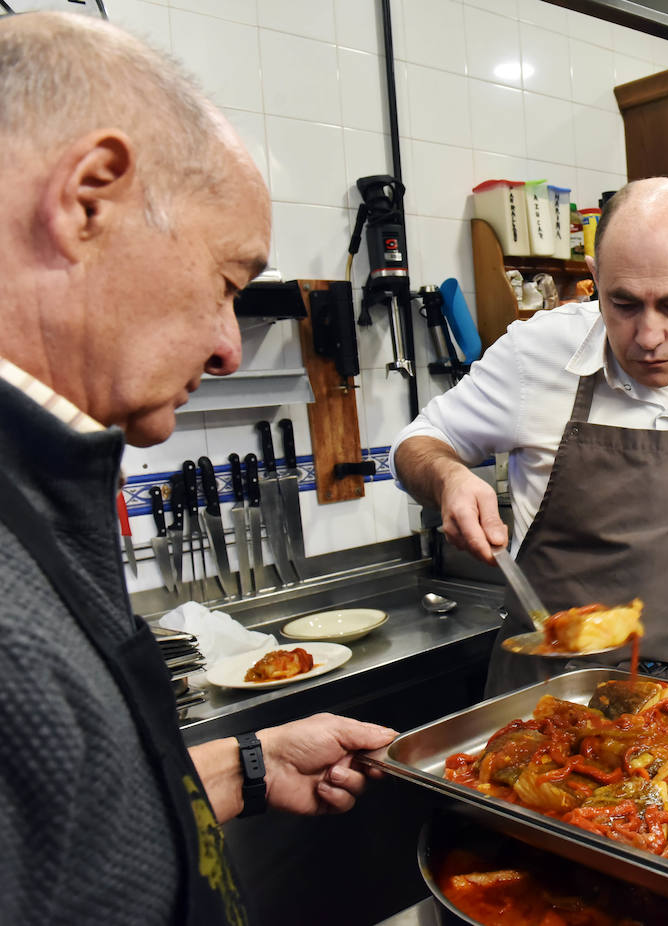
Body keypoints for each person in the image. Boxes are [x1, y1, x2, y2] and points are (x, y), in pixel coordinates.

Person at [0, 13, 398, 925]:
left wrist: (239, 765)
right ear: (88, 198)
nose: (228, 346)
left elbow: (68, 823)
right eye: (227, 282)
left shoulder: (40, 483)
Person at [393, 177, 668, 694]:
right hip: (547, 692)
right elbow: (419, 441)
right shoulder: (536, 354)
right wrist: (449, 476)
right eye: (624, 304)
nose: (649, 337)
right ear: (594, 278)